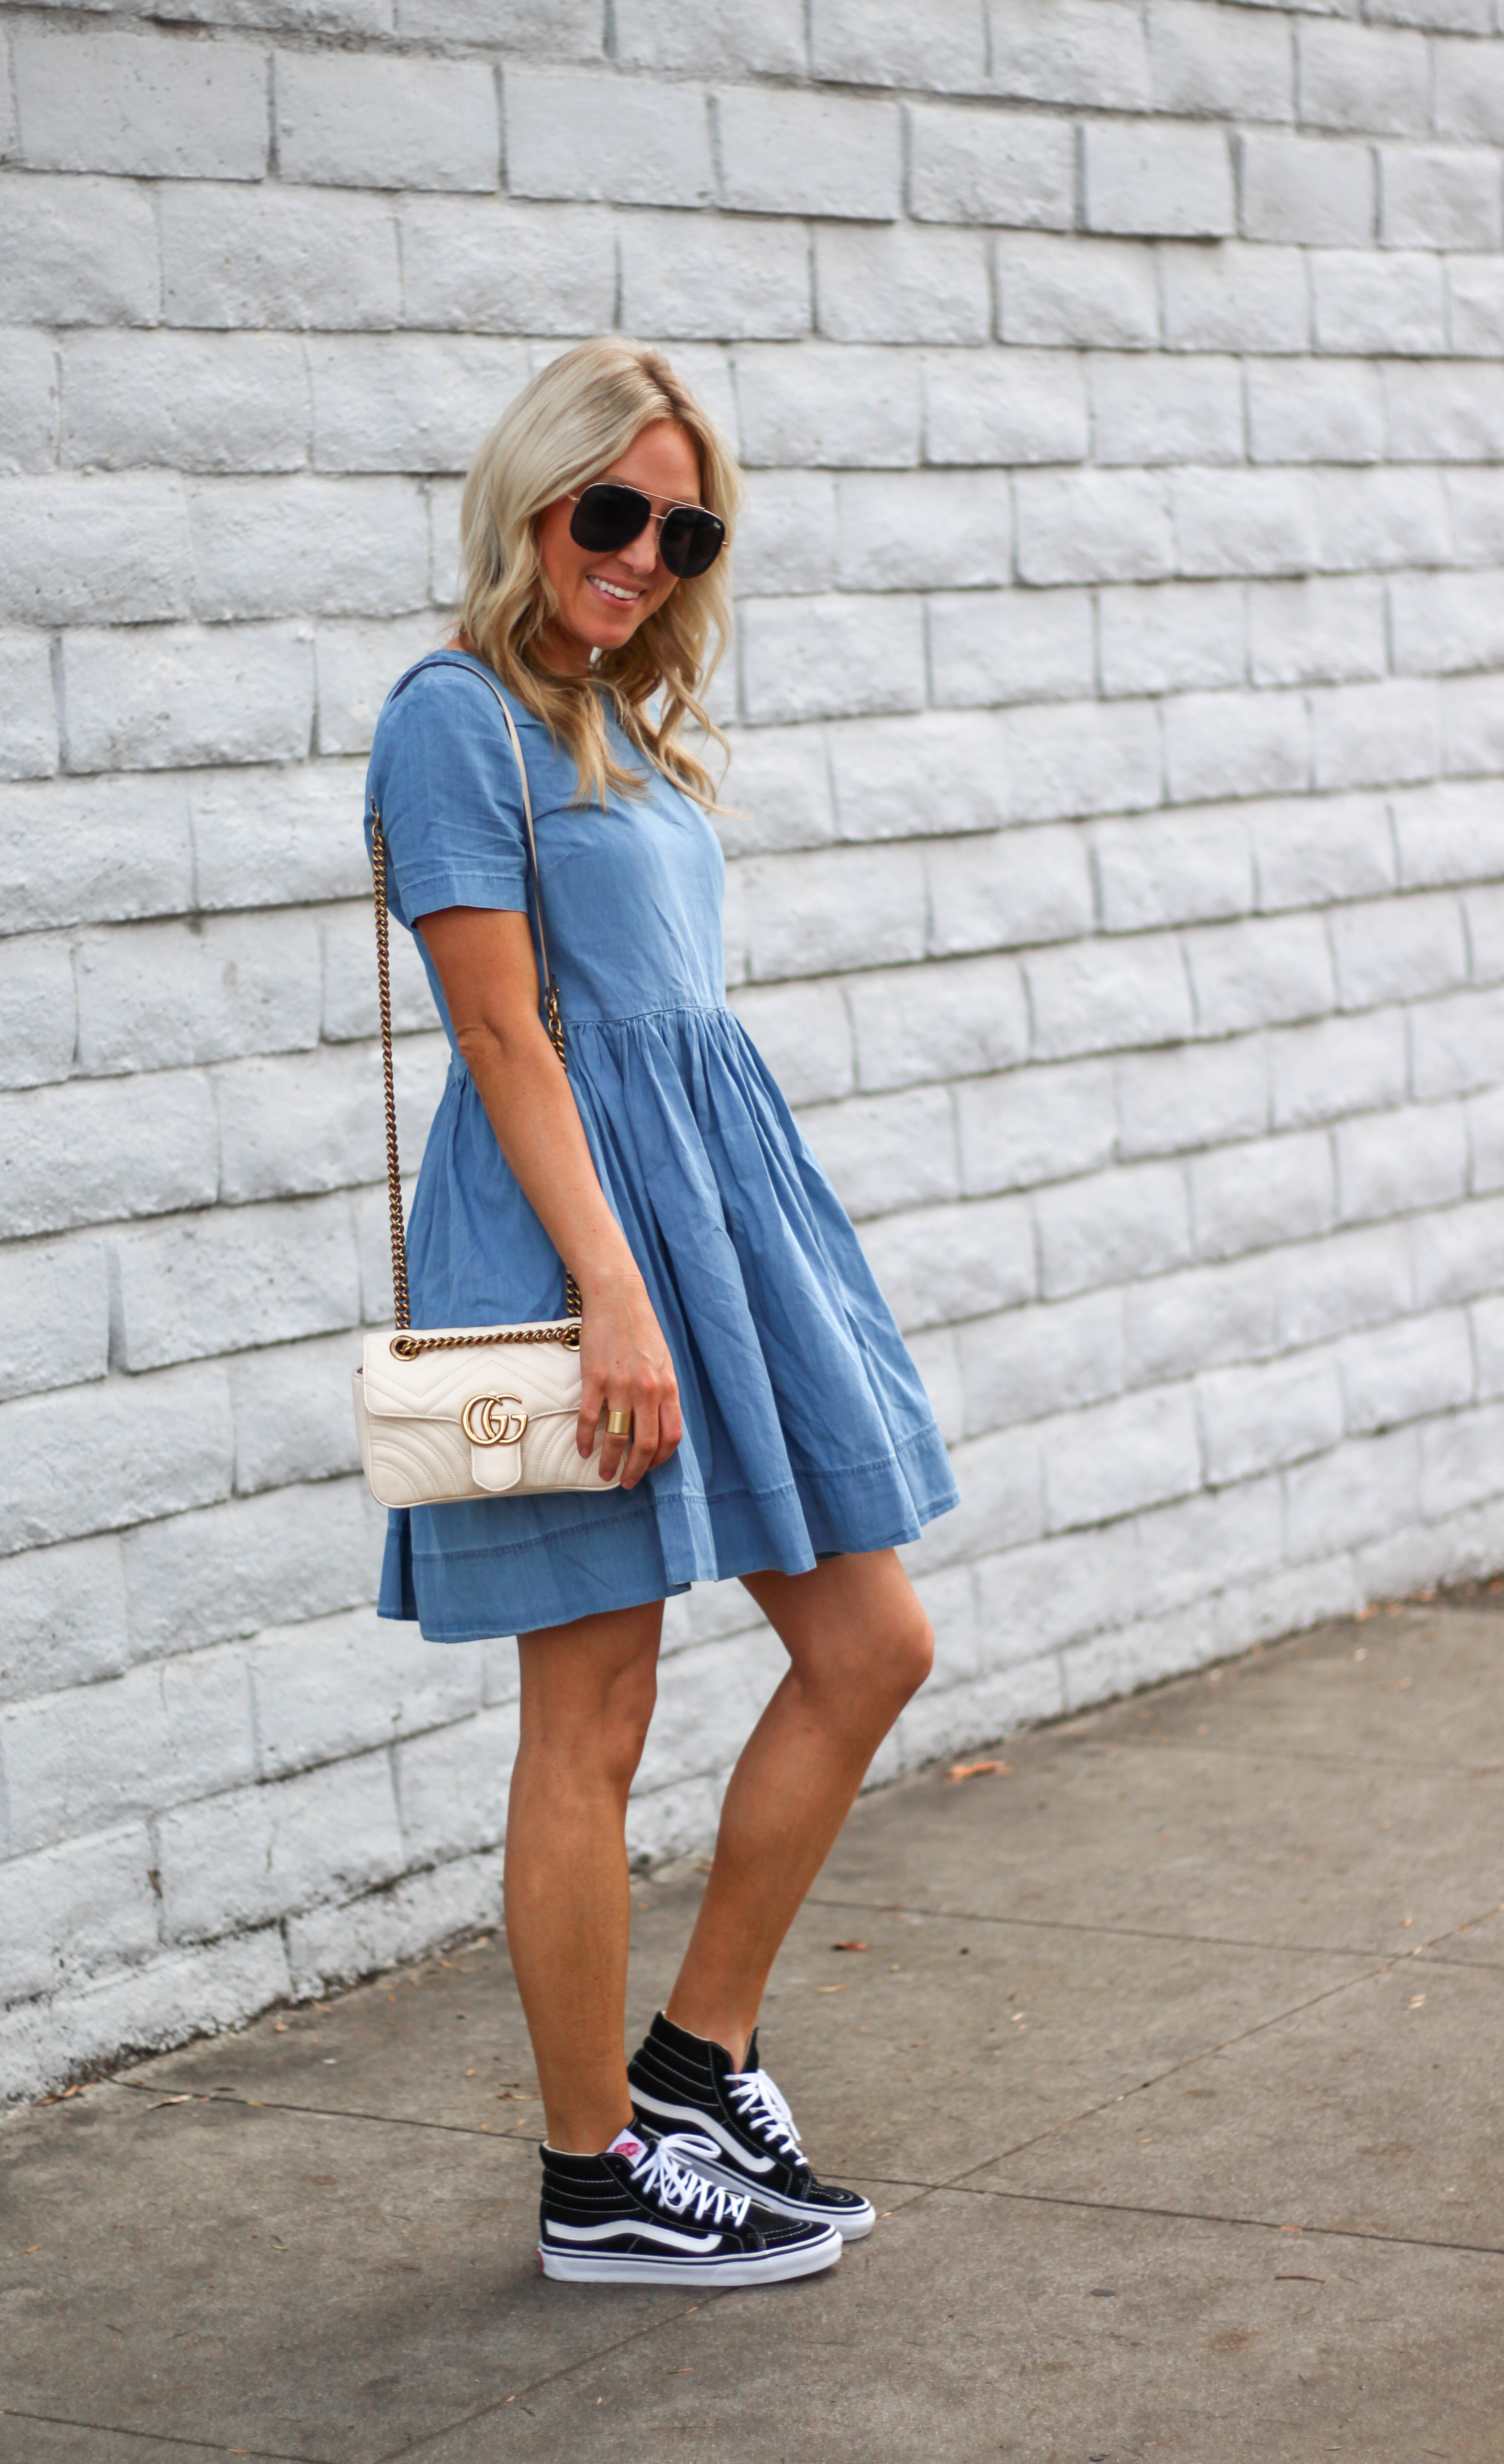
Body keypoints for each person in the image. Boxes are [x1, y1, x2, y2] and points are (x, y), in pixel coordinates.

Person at [364, 337, 959, 2288]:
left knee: (871, 1643)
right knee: (594, 1714)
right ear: (529, 500)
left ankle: (697, 2060)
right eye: (609, 509)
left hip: (720, 1237)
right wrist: (615, 1298)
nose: (642, 551)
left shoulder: (623, 718)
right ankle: (595, 2169)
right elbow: (502, 1031)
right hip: (580, 1257)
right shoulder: (454, 719)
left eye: (680, 524)